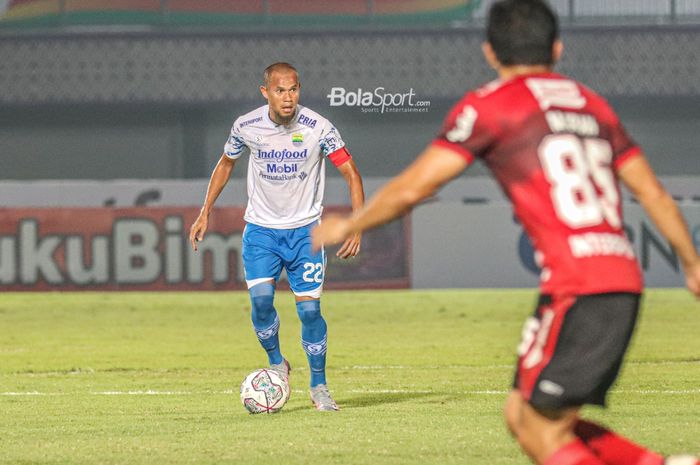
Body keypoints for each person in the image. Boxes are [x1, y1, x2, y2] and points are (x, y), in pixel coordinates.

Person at [312, 0, 700, 462]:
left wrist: (351, 222)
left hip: (580, 289)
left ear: (490, 53)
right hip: (616, 278)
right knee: (523, 414)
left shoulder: (491, 106)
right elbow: (653, 193)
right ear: (557, 48)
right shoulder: (592, 105)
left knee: (542, 432)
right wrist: (692, 265)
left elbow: (417, 185)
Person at [190, 62, 364, 411]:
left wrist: (357, 223)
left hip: (305, 235)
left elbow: (350, 172)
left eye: (294, 89)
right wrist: (205, 209)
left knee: (311, 312)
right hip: (261, 232)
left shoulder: (319, 128)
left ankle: (319, 387)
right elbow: (226, 163)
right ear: (265, 92)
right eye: (281, 90)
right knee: (261, 303)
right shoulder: (246, 126)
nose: (288, 98)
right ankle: (277, 362)